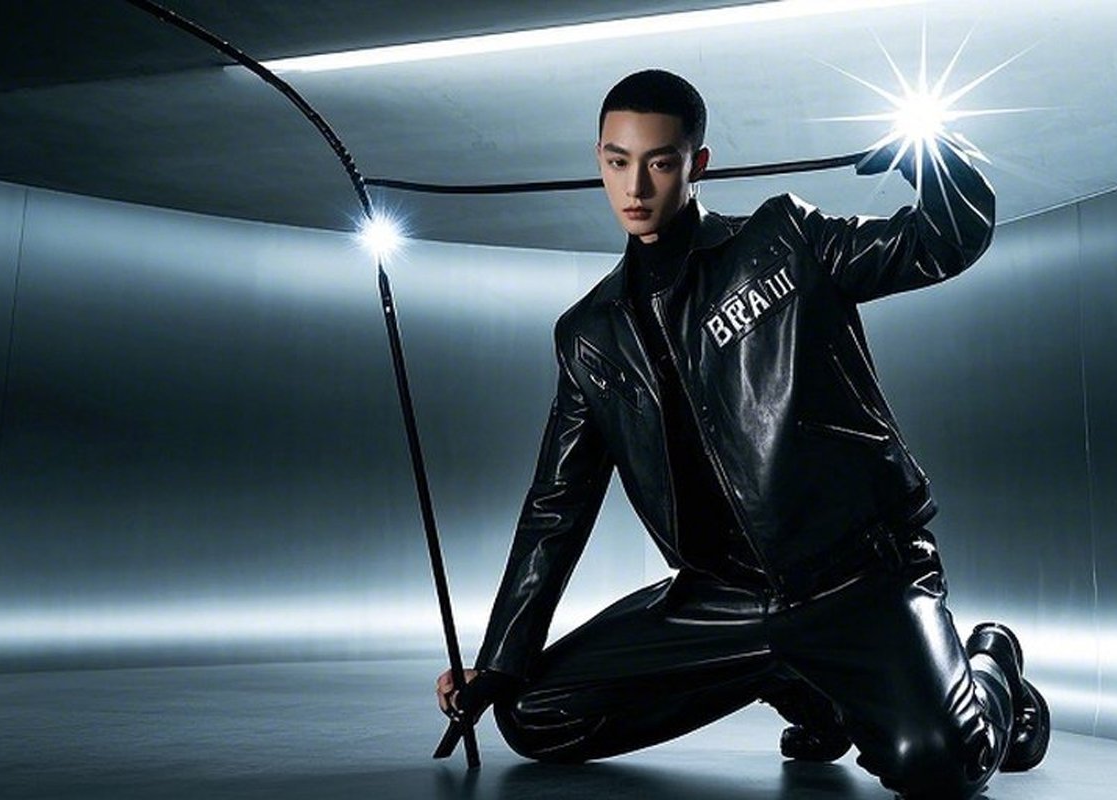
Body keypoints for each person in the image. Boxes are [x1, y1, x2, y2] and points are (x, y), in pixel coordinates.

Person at [434, 68, 1047, 799]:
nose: (635, 187)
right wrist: (499, 660)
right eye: (617, 162)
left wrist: (936, 159)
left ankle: (991, 661)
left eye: (660, 163)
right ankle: (804, 685)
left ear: (696, 163)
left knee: (940, 764)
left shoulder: (783, 240)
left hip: (855, 577)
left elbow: (942, 241)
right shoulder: (589, 335)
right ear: (598, 158)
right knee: (534, 718)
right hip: (722, 601)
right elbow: (556, 506)